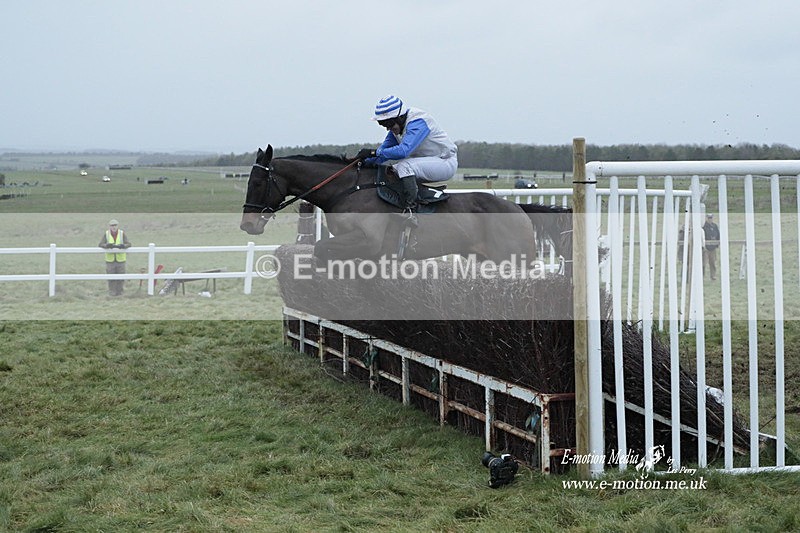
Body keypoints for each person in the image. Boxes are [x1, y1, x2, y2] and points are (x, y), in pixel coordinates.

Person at [356, 95, 458, 216]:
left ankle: (411, 208)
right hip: (427, 163)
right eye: (383, 124)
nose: (388, 128)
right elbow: (382, 153)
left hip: (445, 163)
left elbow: (403, 151)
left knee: (404, 167)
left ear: (399, 117)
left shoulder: (418, 122)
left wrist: (373, 152)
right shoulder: (396, 129)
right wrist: (363, 161)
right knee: (392, 170)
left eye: (388, 123)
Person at [98, 219, 131, 296]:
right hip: (110, 260)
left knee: (121, 277)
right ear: (109, 226)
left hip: (121, 259)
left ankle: (120, 293)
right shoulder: (106, 234)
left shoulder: (122, 234)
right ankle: (112, 293)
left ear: (117, 226)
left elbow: (128, 244)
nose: (114, 227)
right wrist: (107, 246)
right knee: (111, 277)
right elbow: (100, 244)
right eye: (112, 225)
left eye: (115, 225)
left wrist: (123, 246)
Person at [703, 213, 720, 280]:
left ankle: (713, 276)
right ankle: (702, 276)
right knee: (704, 263)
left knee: (712, 262)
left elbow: (718, 234)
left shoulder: (715, 226)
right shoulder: (704, 226)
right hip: (706, 247)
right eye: (709, 218)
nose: (710, 219)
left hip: (713, 247)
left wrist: (717, 244)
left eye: (711, 218)